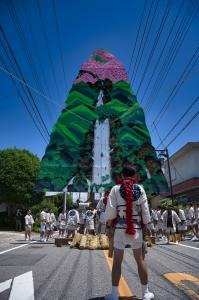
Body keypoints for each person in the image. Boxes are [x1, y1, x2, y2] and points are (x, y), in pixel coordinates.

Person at [105, 165, 154, 300]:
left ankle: (114, 295)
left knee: (117, 262)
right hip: (136, 229)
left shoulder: (115, 189)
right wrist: (146, 225)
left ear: (122, 175)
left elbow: (110, 212)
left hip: (120, 229)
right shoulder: (140, 188)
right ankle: (145, 293)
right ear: (134, 175)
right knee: (140, 260)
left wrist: (109, 223)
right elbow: (145, 211)